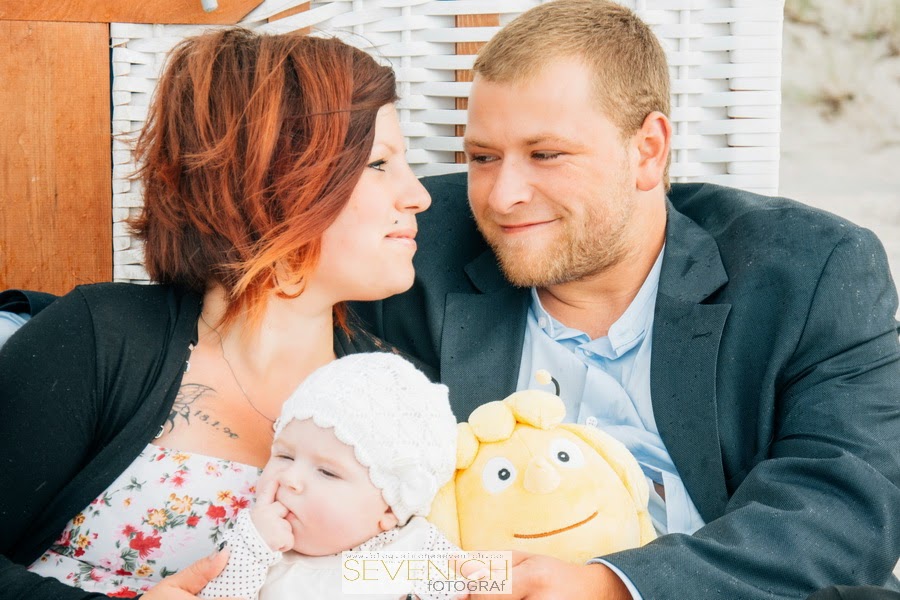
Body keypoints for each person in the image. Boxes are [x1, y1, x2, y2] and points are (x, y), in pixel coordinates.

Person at [350, 1, 900, 599]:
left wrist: (612, 587)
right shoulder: (411, 252)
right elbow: (344, 534)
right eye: (483, 157)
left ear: (647, 150)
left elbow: (848, 507)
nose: (503, 196)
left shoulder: (808, 269)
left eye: (546, 154)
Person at [0, 27, 431, 599]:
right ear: (275, 178)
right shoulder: (99, 339)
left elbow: (397, 570)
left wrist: (529, 576)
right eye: (378, 164)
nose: (419, 195)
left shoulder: (391, 393)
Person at [198, 352, 459, 600]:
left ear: (390, 508)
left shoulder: (410, 551)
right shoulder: (258, 556)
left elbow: (478, 584)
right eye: (285, 456)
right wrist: (252, 546)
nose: (290, 478)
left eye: (326, 472)